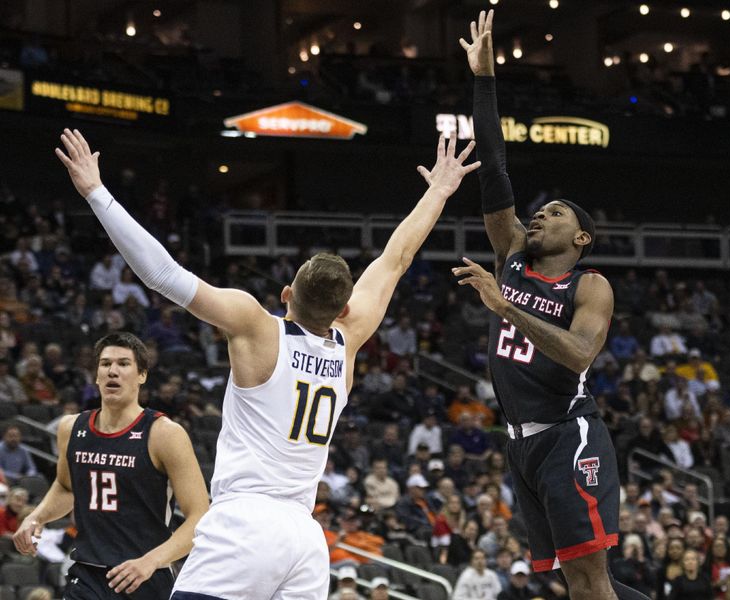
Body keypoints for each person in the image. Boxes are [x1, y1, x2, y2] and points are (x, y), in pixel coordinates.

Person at [54, 128, 479, 600]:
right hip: (304, 536)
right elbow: (397, 258)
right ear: (343, 310)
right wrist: (440, 190)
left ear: (285, 296)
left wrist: (96, 192)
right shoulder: (350, 340)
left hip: (246, 523)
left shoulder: (257, 327)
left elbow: (163, 274)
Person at [456, 10, 647, 600]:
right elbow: (493, 164)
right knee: (581, 581)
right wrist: (484, 80)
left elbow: (578, 356)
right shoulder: (511, 250)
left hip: (570, 432)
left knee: (589, 580)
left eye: (557, 212)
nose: (541, 214)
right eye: (540, 211)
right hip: (521, 442)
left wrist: (504, 307)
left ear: (582, 238)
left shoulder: (589, 286)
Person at [12, 332, 209, 599]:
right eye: (105, 364)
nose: (112, 371)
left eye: (123, 364)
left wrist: (151, 561)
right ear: (96, 375)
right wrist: (36, 517)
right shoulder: (71, 428)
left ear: (142, 375)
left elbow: (200, 517)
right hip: (86, 575)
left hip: (144, 577)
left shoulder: (164, 434)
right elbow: (66, 488)